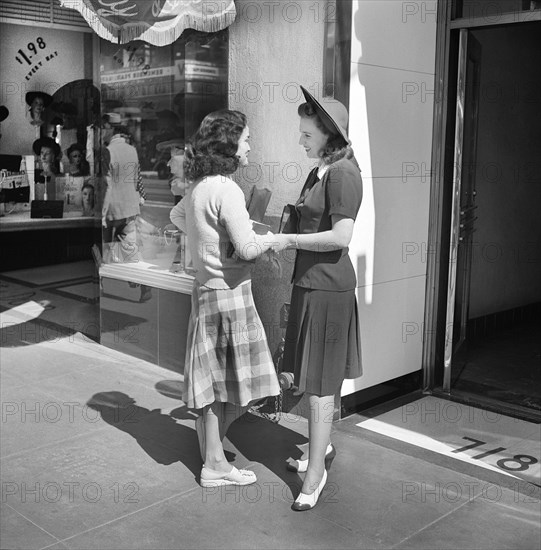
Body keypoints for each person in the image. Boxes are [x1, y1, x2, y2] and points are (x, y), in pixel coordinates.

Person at [169, 109, 280, 488]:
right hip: (232, 297)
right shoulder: (227, 189)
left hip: (205, 293)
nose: (250, 145)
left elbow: (177, 216)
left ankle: (213, 453)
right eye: (246, 138)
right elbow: (248, 249)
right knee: (237, 385)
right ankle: (214, 460)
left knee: (215, 382)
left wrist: (210, 245)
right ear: (229, 144)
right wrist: (269, 240)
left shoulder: (198, 186)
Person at [272, 86, 363, 511]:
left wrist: (288, 238)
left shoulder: (344, 173)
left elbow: (342, 237)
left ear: (328, 134)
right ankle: (318, 449)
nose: (301, 141)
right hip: (311, 285)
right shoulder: (321, 171)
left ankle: (315, 476)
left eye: (307, 134)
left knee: (322, 385)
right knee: (313, 381)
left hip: (328, 289)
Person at [101, 121, 141, 264]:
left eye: (103, 129)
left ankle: (108, 283)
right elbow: (135, 181)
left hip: (112, 209)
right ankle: (134, 282)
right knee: (130, 254)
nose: (101, 133)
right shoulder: (132, 150)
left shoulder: (108, 151)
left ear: (112, 130)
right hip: (130, 208)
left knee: (106, 255)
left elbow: (107, 185)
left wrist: (102, 214)